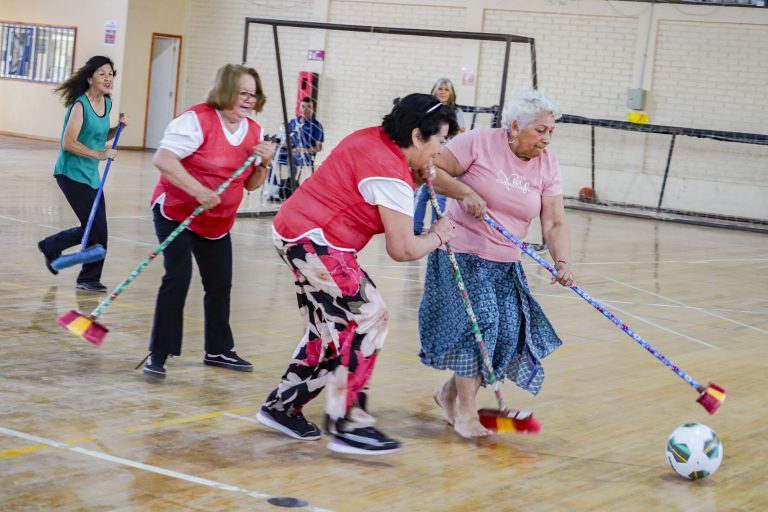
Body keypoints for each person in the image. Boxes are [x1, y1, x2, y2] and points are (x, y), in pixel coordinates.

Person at [256, 93, 458, 455]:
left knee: (329, 329)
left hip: (296, 231)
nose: (440, 152)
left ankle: (282, 408)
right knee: (370, 316)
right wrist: (438, 235)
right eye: (439, 142)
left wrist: (415, 174)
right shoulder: (388, 171)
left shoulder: (374, 138)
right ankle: (348, 423)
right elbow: (403, 249)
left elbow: (381, 189)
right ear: (416, 137)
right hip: (315, 241)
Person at [419, 89, 575, 438]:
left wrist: (562, 260)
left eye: (551, 131)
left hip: (505, 262)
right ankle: (466, 414)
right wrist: (465, 193)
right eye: (540, 130)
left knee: (503, 336)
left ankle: (448, 393)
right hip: (461, 253)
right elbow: (429, 168)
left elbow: (554, 221)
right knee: (481, 325)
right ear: (515, 126)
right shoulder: (478, 142)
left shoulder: (547, 164)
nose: (546, 139)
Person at [142, 64, 275, 378]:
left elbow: (251, 185)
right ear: (225, 90)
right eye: (242, 93)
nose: (248, 100)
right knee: (178, 277)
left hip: (217, 222)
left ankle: (218, 350)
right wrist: (198, 190)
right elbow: (163, 159)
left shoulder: (253, 131)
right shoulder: (196, 120)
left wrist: (264, 164)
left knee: (219, 285)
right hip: (177, 212)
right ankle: (158, 354)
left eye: (253, 95)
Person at [37, 56, 126, 292]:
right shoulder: (80, 105)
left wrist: (117, 129)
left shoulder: (106, 103)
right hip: (70, 174)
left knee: (97, 227)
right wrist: (100, 155)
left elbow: (99, 135)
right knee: (96, 228)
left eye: (110, 74)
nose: (108, 78)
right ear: (90, 78)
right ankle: (88, 278)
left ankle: (52, 246)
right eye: (102, 74)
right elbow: (69, 143)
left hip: (90, 176)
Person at [413, 78, 465, 236]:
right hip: (426, 154)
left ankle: (435, 228)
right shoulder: (428, 109)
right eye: (440, 88)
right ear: (434, 91)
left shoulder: (457, 112)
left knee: (440, 195)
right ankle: (415, 227)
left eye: (446, 89)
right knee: (421, 195)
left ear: (451, 94)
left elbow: (461, 132)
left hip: (444, 156)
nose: (443, 91)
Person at [270, 96, 325, 200]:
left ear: (313, 110)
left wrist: (301, 150)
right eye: (303, 106)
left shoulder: (316, 126)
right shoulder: (292, 122)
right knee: (269, 154)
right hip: (289, 151)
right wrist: (278, 144)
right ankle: (275, 187)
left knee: (293, 156)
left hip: (305, 155)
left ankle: (290, 186)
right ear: (299, 108)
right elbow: (285, 139)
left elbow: (318, 148)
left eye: (309, 107)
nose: (305, 109)